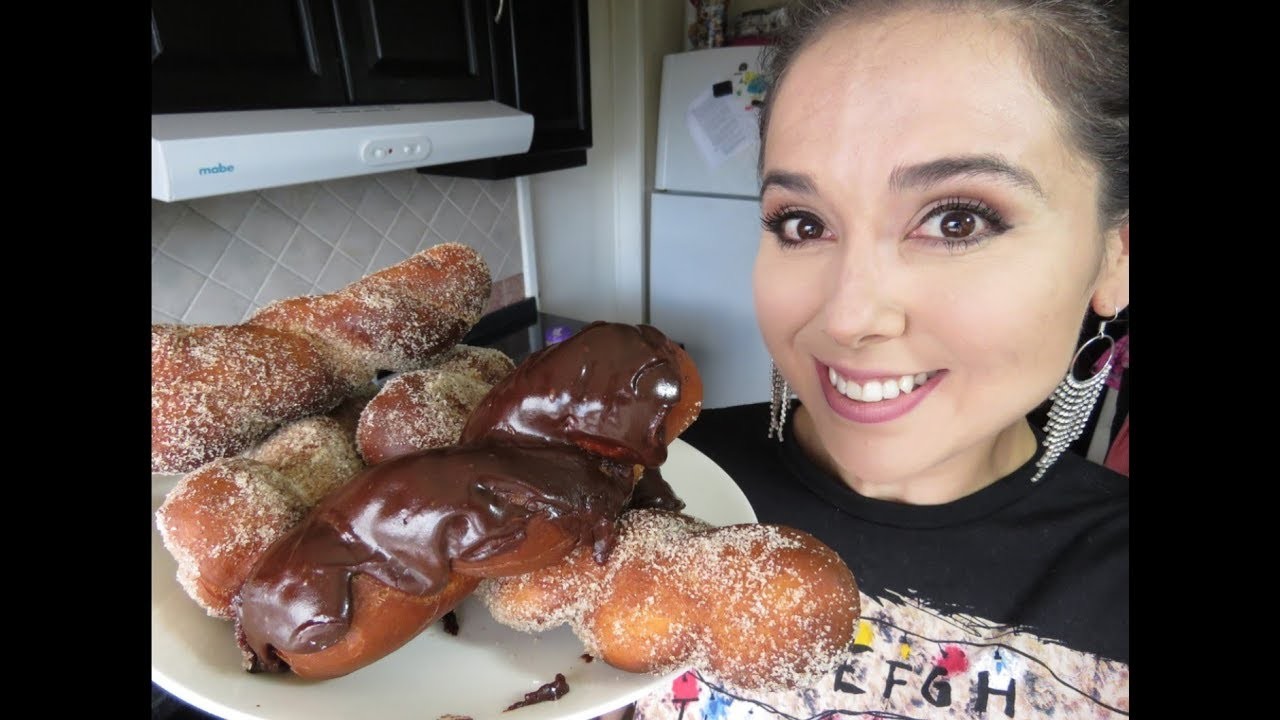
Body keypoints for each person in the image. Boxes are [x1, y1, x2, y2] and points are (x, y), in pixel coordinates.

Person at [625, 0, 1130, 717]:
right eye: (802, 224)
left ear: (1117, 255)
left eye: (958, 219)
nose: (848, 317)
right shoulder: (649, 488)